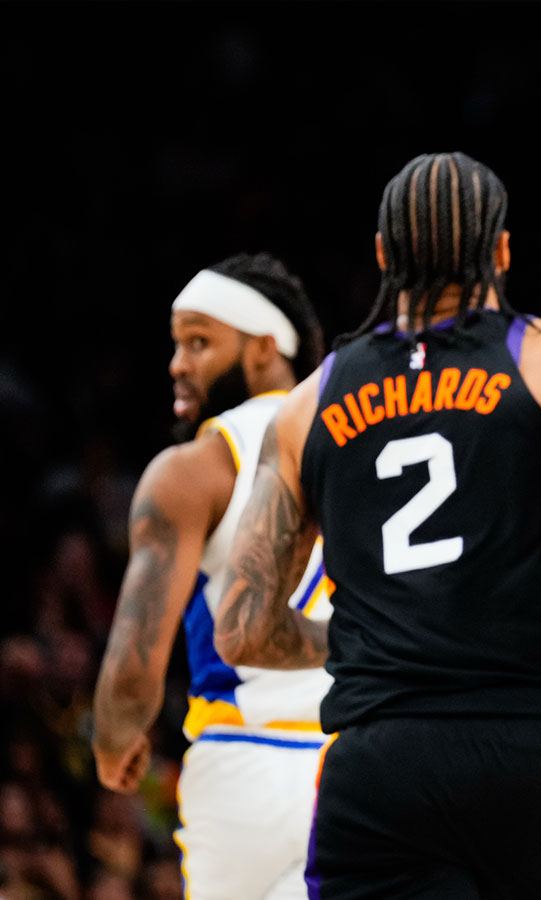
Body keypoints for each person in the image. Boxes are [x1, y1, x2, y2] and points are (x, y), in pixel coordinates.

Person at [212, 151, 541, 900]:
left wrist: (367, 640)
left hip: (375, 769)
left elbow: (242, 630)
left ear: (383, 256)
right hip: (534, 747)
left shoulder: (306, 405)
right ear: (502, 252)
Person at [90, 252, 333, 900]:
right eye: (177, 345)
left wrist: (115, 740)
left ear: (265, 349)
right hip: (366, 758)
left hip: (244, 765)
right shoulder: (365, 439)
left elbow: (134, 665)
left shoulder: (195, 468)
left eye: (199, 343)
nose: (178, 364)